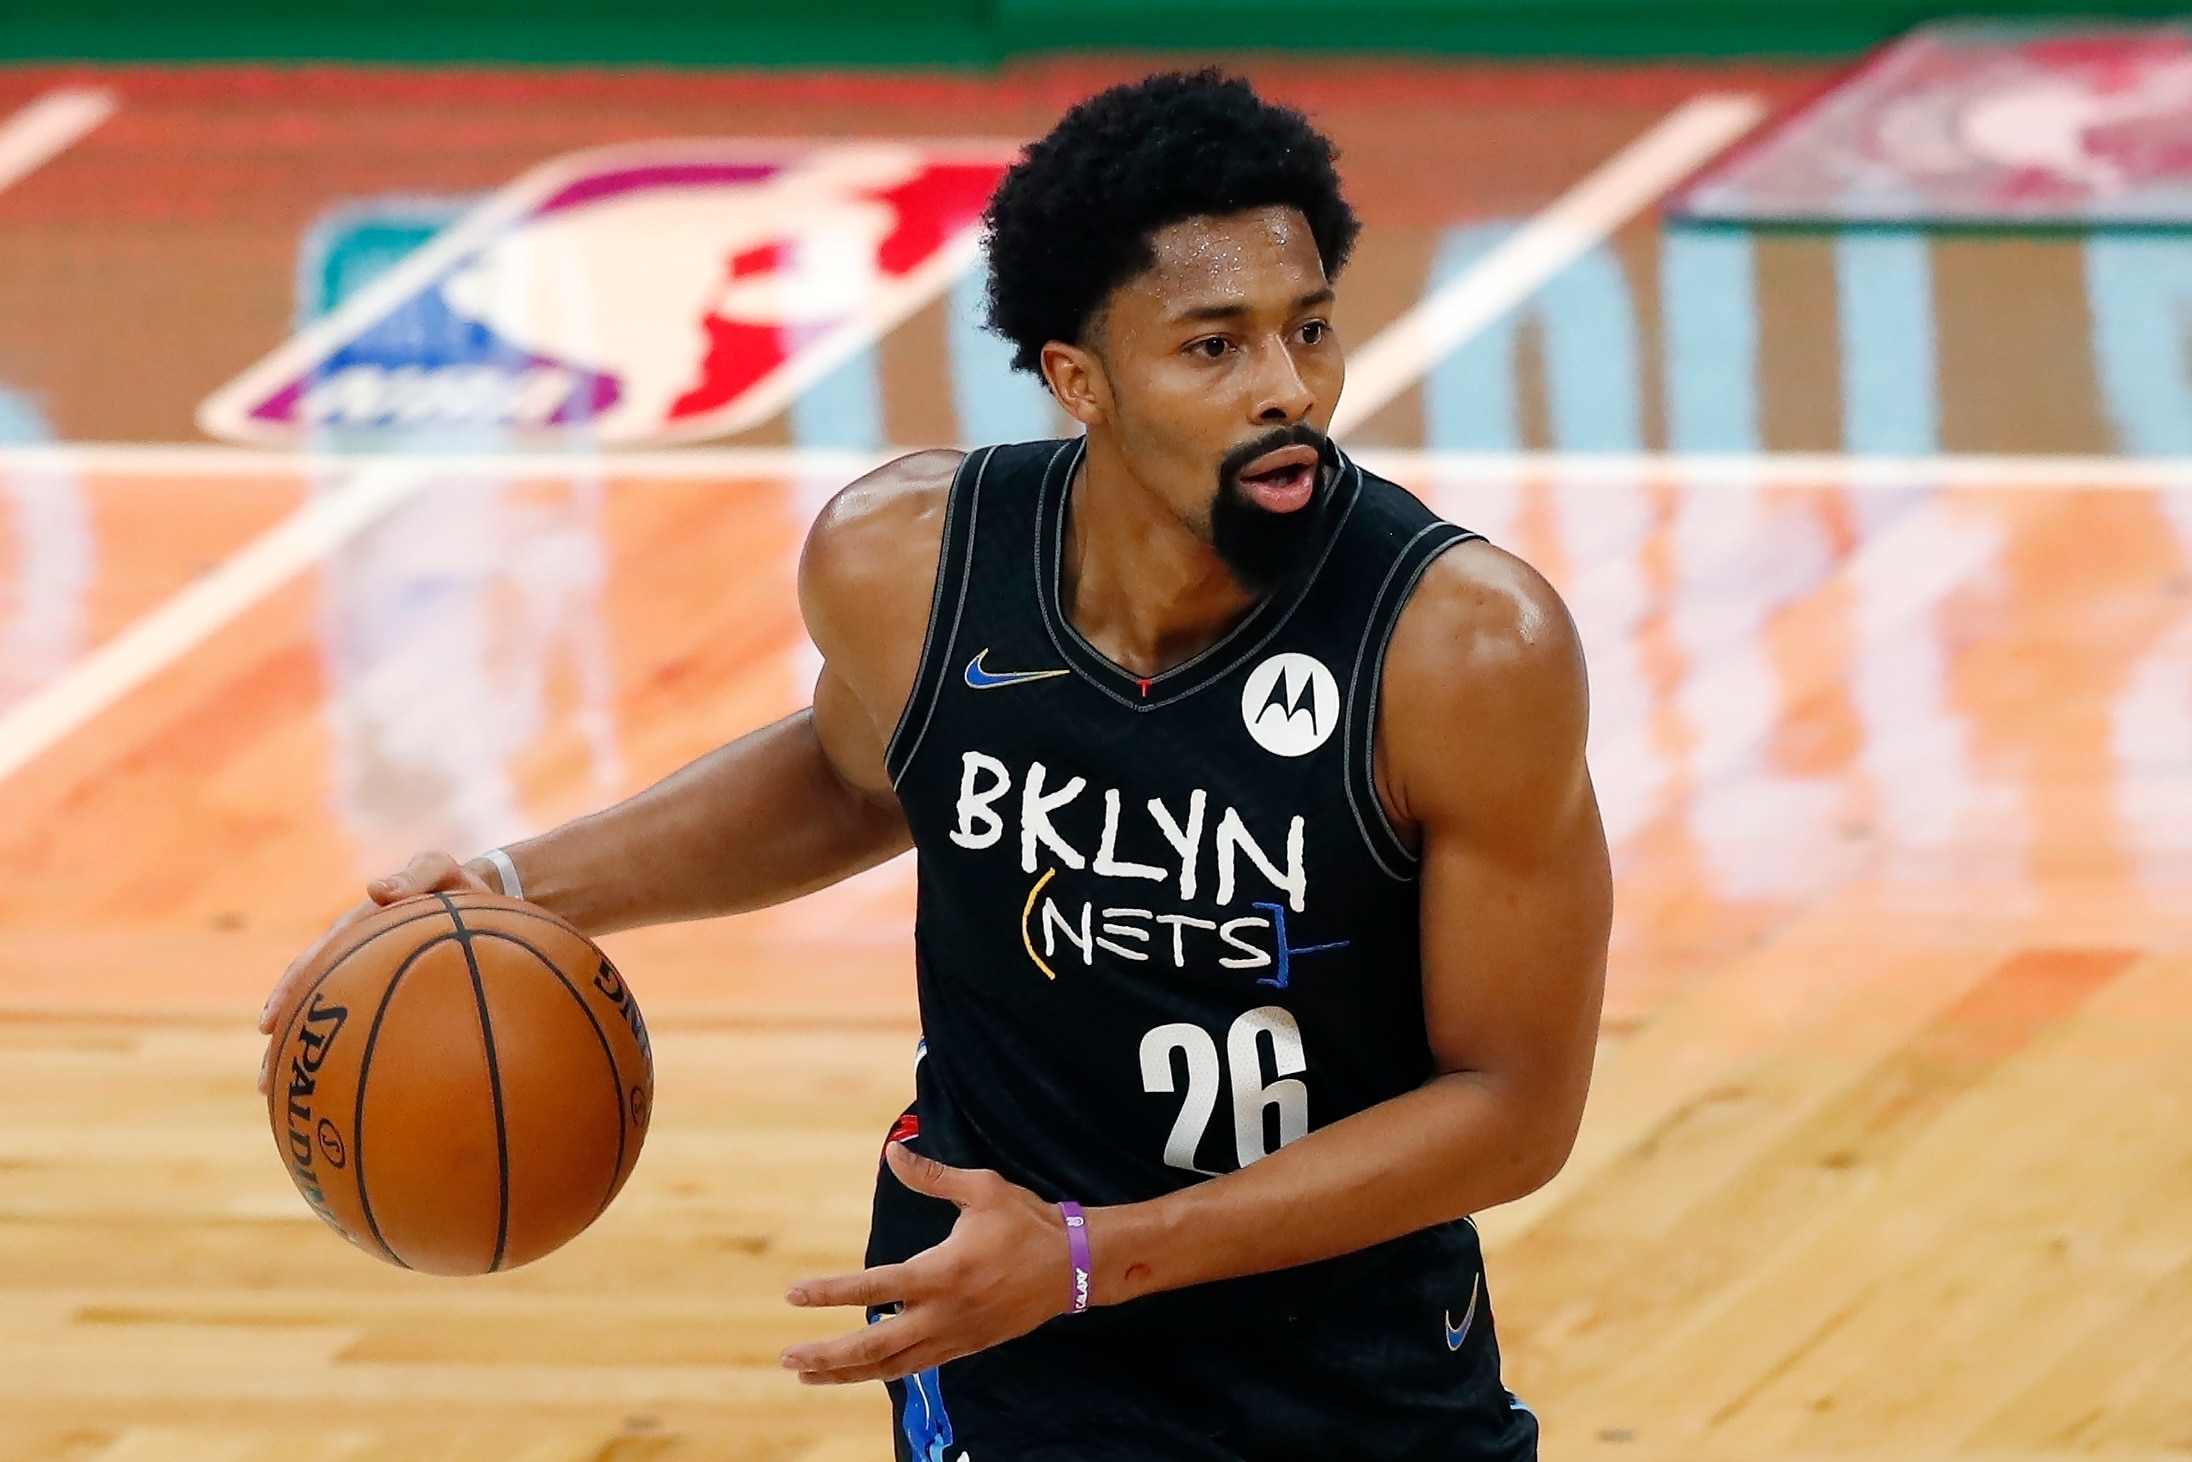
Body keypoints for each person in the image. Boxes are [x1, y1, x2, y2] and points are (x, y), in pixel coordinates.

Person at [261, 69, 1611, 1461]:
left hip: (1348, 1361)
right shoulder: (910, 566)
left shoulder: (1461, 648)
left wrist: (1091, 1255)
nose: (1289, 389)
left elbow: (1512, 1110)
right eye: (1214, 347)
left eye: (1308, 329)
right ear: (1078, 379)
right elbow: (856, 776)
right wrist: (502, 891)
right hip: (1008, 1340)